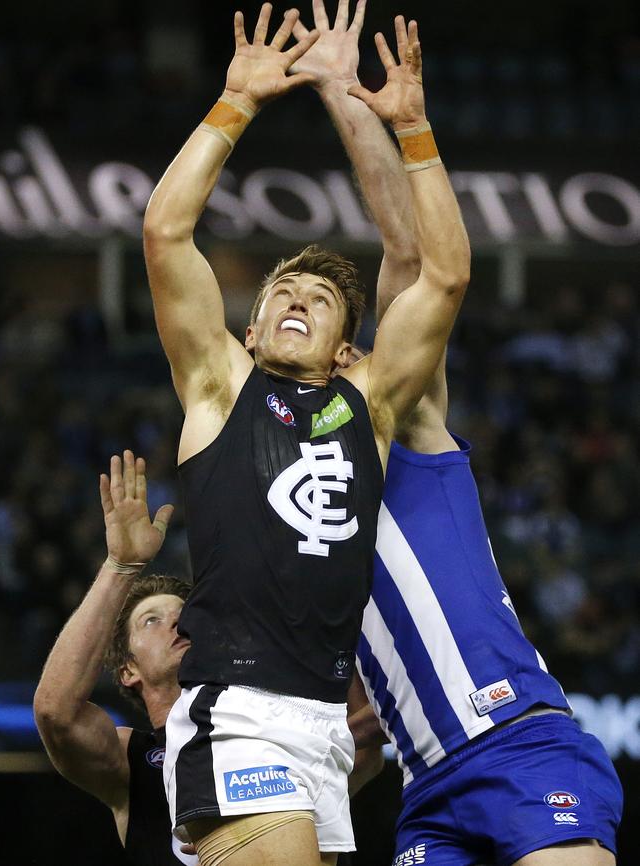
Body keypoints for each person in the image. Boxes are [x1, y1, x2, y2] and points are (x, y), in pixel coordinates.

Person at [142, 4, 469, 865]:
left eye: (320, 301)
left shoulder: (374, 407)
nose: (295, 300)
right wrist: (233, 108)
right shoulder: (219, 385)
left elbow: (445, 273)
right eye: (281, 293)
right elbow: (164, 232)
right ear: (248, 331)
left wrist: (415, 131)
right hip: (237, 711)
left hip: (327, 726)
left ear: (347, 350)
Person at [307, 11, 622, 866]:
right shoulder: (283, 488)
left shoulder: (401, 422)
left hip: (517, 741)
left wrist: (347, 93)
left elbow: (408, 250)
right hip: (424, 786)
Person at [33, 451, 198, 866]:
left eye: (183, 614)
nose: (175, 624)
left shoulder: (264, 719)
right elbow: (56, 712)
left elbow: (362, 739)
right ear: (127, 671)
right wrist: (122, 566)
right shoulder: (131, 758)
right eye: (152, 621)